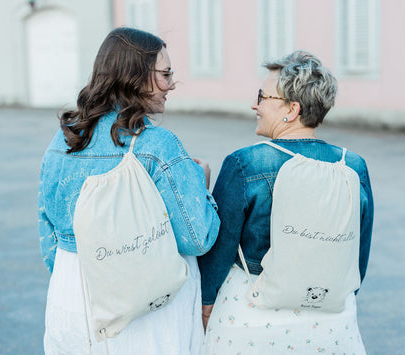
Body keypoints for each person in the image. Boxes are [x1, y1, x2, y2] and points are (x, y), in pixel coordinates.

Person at [38, 27, 220, 354]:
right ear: (134, 75)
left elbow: (48, 228)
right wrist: (201, 184)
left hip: (70, 297)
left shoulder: (63, 139)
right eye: (165, 74)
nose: (172, 84)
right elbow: (197, 238)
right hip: (145, 308)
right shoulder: (157, 144)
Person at [198, 50, 374, 354]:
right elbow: (358, 251)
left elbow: (219, 251)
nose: (255, 104)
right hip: (331, 324)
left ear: (291, 110)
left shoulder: (245, 163)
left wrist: (205, 305)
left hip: (252, 319)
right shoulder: (353, 166)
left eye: (262, 96)